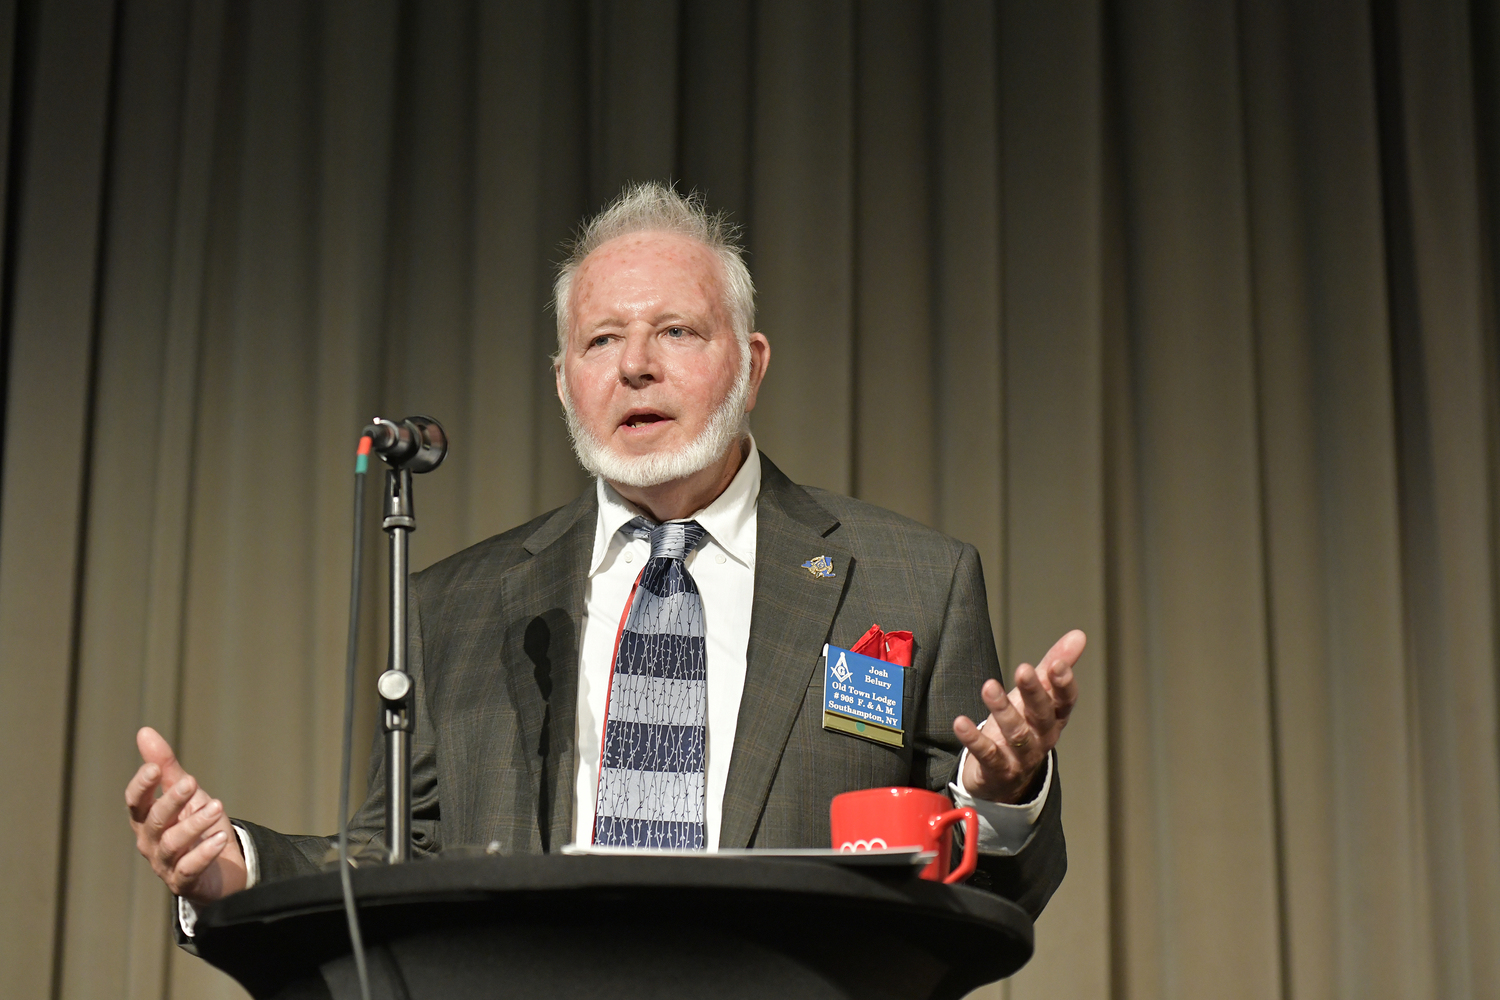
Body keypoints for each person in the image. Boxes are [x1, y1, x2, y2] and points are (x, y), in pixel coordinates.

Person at [126, 183, 1083, 936]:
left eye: (675, 331)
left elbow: (996, 897)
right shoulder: (455, 604)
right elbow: (398, 861)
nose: (635, 366)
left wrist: (998, 799)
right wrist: (235, 865)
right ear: (562, 382)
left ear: (750, 365)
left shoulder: (912, 580)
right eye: (600, 339)